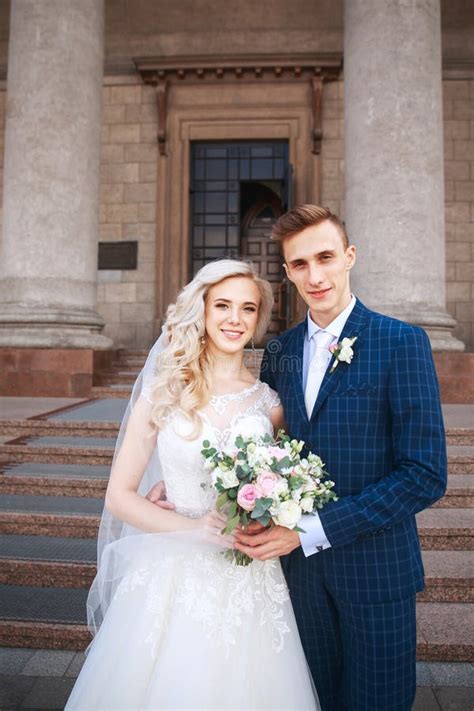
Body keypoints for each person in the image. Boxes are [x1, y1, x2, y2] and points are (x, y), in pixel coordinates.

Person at [65, 259, 319, 711]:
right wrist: (196, 527)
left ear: (259, 319)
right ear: (200, 311)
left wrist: (278, 506)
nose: (234, 319)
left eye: (246, 308)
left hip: (250, 573)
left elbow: (291, 477)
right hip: (173, 569)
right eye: (222, 305)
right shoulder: (163, 392)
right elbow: (119, 497)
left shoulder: (270, 402)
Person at [232, 205, 448, 711]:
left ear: (349, 256)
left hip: (376, 575)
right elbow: (261, 442)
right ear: (286, 272)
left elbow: (424, 475)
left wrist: (309, 530)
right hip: (299, 583)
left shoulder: (401, 342)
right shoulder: (280, 351)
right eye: (300, 264)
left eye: (325, 257)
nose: (316, 275)